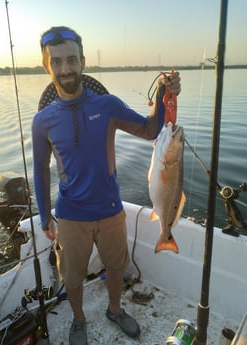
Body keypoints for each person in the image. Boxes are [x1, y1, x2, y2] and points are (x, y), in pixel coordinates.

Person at [32, 26, 181, 345]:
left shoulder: (108, 105)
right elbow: (40, 171)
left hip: (112, 212)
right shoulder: (42, 120)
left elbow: (149, 130)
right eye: (56, 62)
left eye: (71, 60)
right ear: (47, 66)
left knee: (116, 267)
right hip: (71, 216)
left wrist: (165, 96)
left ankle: (115, 310)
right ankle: (79, 319)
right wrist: (45, 215)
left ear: (83, 61)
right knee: (71, 277)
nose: (65, 68)